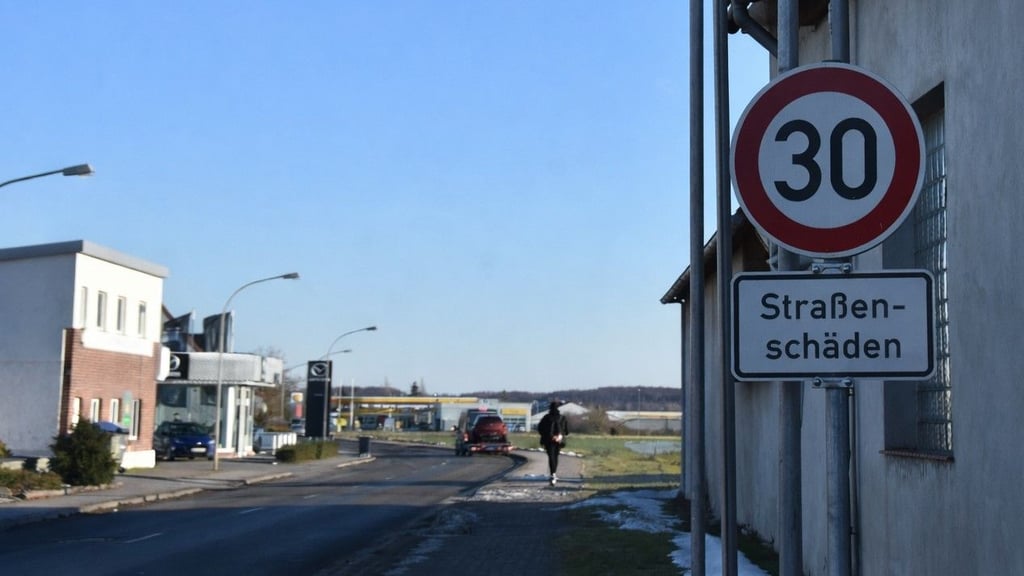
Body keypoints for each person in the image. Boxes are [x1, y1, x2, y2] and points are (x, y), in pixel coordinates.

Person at [538, 401, 569, 485]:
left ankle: (552, 473)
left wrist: (548, 435)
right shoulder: (562, 418)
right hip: (559, 440)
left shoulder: (546, 418)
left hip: (548, 440)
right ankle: (554, 472)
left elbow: (540, 428)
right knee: (556, 456)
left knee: (551, 456)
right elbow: (566, 431)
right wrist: (560, 435)